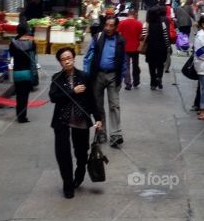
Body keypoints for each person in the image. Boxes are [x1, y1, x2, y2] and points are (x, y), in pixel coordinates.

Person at [49, 46, 103, 198]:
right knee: (63, 154)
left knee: (81, 153)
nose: (67, 61)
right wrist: (72, 91)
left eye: (69, 58)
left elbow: (92, 99)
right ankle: (68, 186)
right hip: (61, 121)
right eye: (63, 59)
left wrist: (98, 118)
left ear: (74, 58)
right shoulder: (56, 78)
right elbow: (53, 97)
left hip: (81, 120)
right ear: (60, 62)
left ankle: (79, 174)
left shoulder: (84, 76)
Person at [83, 14, 126, 147]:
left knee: (114, 105)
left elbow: (123, 60)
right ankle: (101, 132)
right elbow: (88, 57)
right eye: (106, 25)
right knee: (98, 106)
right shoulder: (98, 38)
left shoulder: (120, 40)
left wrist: (122, 77)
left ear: (116, 27)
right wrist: (86, 75)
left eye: (111, 26)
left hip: (113, 76)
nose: (108, 28)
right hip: (97, 76)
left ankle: (116, 135)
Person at [9, 22, 38, 123]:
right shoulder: (31, 42)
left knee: (18, 95)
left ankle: (18, 115)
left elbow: (11, 54)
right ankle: (23, 117)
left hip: (16, 72)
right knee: (25, 96)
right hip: (27, 72)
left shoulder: (13, 42)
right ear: (26, 31)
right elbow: (34, 53)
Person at [118, 7, 145, 90]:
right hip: (135, 48)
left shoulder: (122, 23)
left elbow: (118, 34)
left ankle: (128, 83)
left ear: (128, 14)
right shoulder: (139, 23)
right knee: (135, 65)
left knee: (126, 66)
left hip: (125, 47)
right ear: (135, 14)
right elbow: (141, 36)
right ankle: (136, 81)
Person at [143, 6, 170, 90]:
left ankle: (153, 83)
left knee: (151, 66)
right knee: (160, 64)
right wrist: (168, 46)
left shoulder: (146, 24)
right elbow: (166, 36)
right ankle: (159, 77)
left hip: (150, 48)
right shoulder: (162, 24)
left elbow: (143, 36)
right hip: (161, 48)